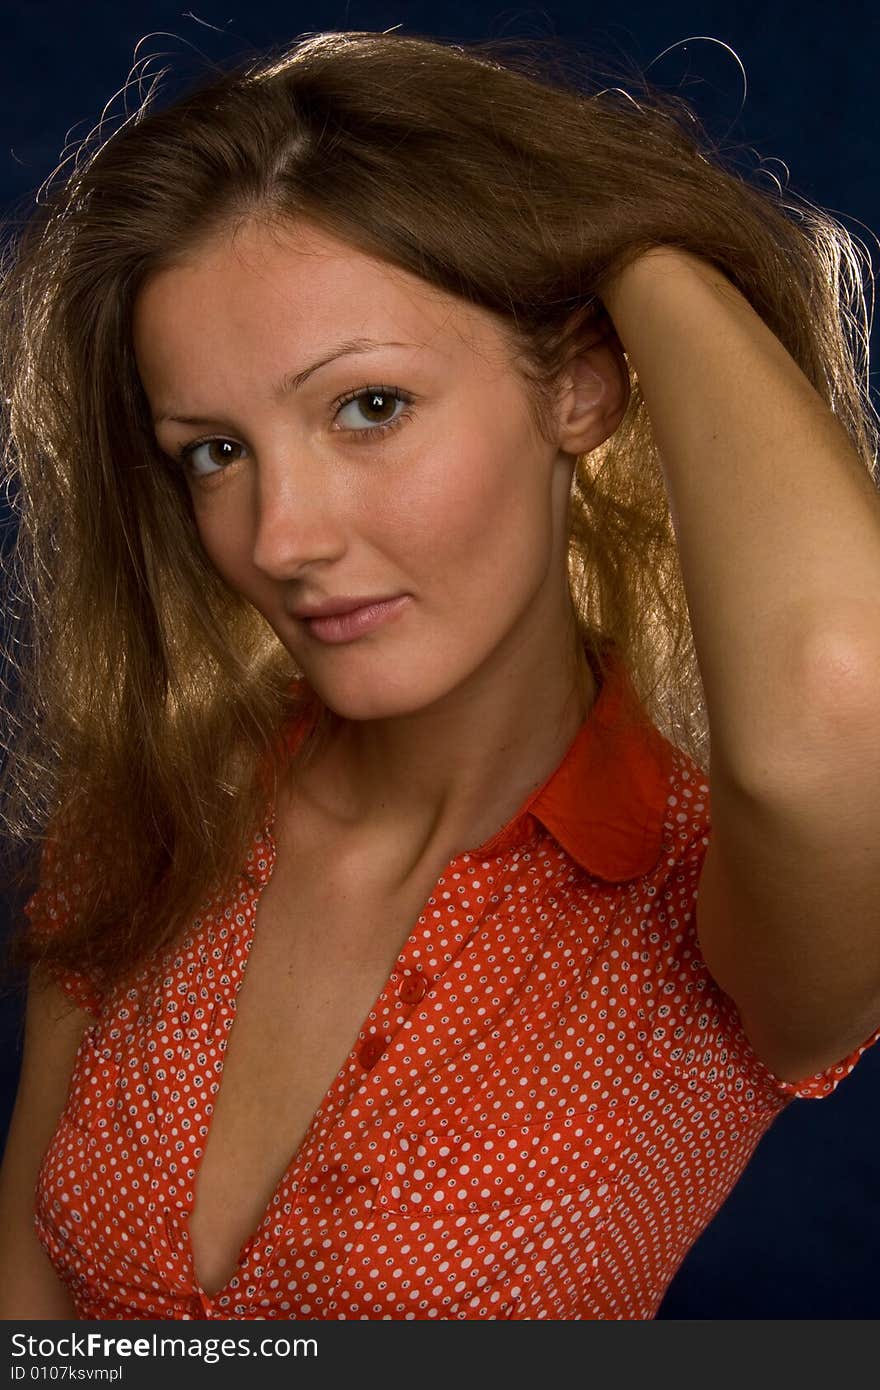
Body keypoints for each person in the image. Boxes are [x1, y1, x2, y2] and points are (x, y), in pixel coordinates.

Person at [1, 28, 879, 1322]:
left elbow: (843, 686)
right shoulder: (158, 805)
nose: (282, 537)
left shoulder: (707, 907)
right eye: (214, 452)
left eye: (369, 407)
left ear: (582, 385)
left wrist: (626, 236)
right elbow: (27, 1292)